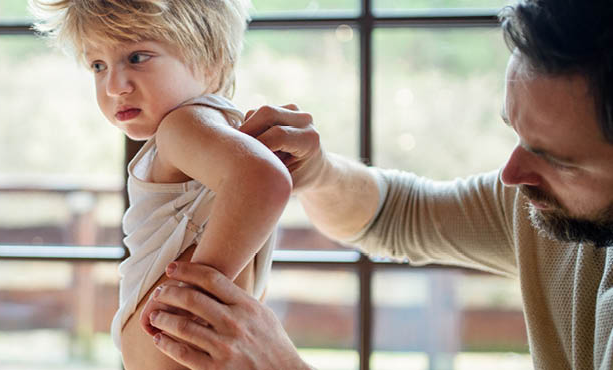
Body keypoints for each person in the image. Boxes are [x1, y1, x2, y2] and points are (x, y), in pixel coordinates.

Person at [144, 0, 613, 369]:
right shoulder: (543, 204)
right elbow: (399, 214)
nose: (511, 175)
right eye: (515, 133)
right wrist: (319, 173)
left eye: (557, 160)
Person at [30, 1, 292, 369]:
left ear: (210, 60)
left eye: (137, 57)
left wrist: (193, 298)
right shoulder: (215, 137)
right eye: (98, 65)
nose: (114, 86)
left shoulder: (182, 127)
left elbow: (264, 180)